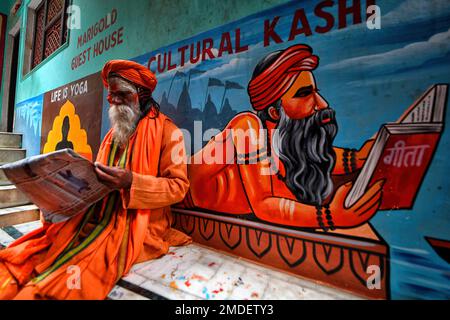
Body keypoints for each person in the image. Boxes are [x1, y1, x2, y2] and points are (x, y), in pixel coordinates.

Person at [0, 60, 191, 299]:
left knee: (88, 259)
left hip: (140, 224)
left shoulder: (168, 132)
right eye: (112, 97)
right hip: (100, 214)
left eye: (123, 95)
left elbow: (178, 187)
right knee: (52, 242)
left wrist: (132, 181)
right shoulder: (113, 135)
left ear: (141, 95)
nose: (116, 102)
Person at [181, 44, 383, 230]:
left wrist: (357, 159)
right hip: (177, 199)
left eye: (316, 92)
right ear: (274, 113)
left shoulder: (285, 145)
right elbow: (264, 205)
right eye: (305, 94)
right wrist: (329, 217)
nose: (322, 104)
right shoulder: (247, 127)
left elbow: (314, 154)